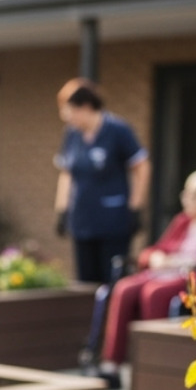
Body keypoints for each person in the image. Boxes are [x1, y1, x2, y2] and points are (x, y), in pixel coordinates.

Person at [94, 168, 196, 388]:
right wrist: (155, 257)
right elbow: (153, 251)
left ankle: (151, 364)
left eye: (194, 195)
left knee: (154, 293)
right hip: (164, 272)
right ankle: (112, 365)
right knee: (124, 288)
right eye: (186, 193)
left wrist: (194, 260)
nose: (186, 199)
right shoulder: (183, 222)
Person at [53, 78, 150, 284]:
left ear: (86, 107)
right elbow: (67, 173)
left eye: (69, 111)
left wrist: (136, 207)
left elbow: (142, 167)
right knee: (85, 281)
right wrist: (62, 210)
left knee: (112, 281)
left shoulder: (118, 130)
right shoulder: (71, 134)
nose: (66, 117)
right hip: (82, 219)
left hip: (112, 221)